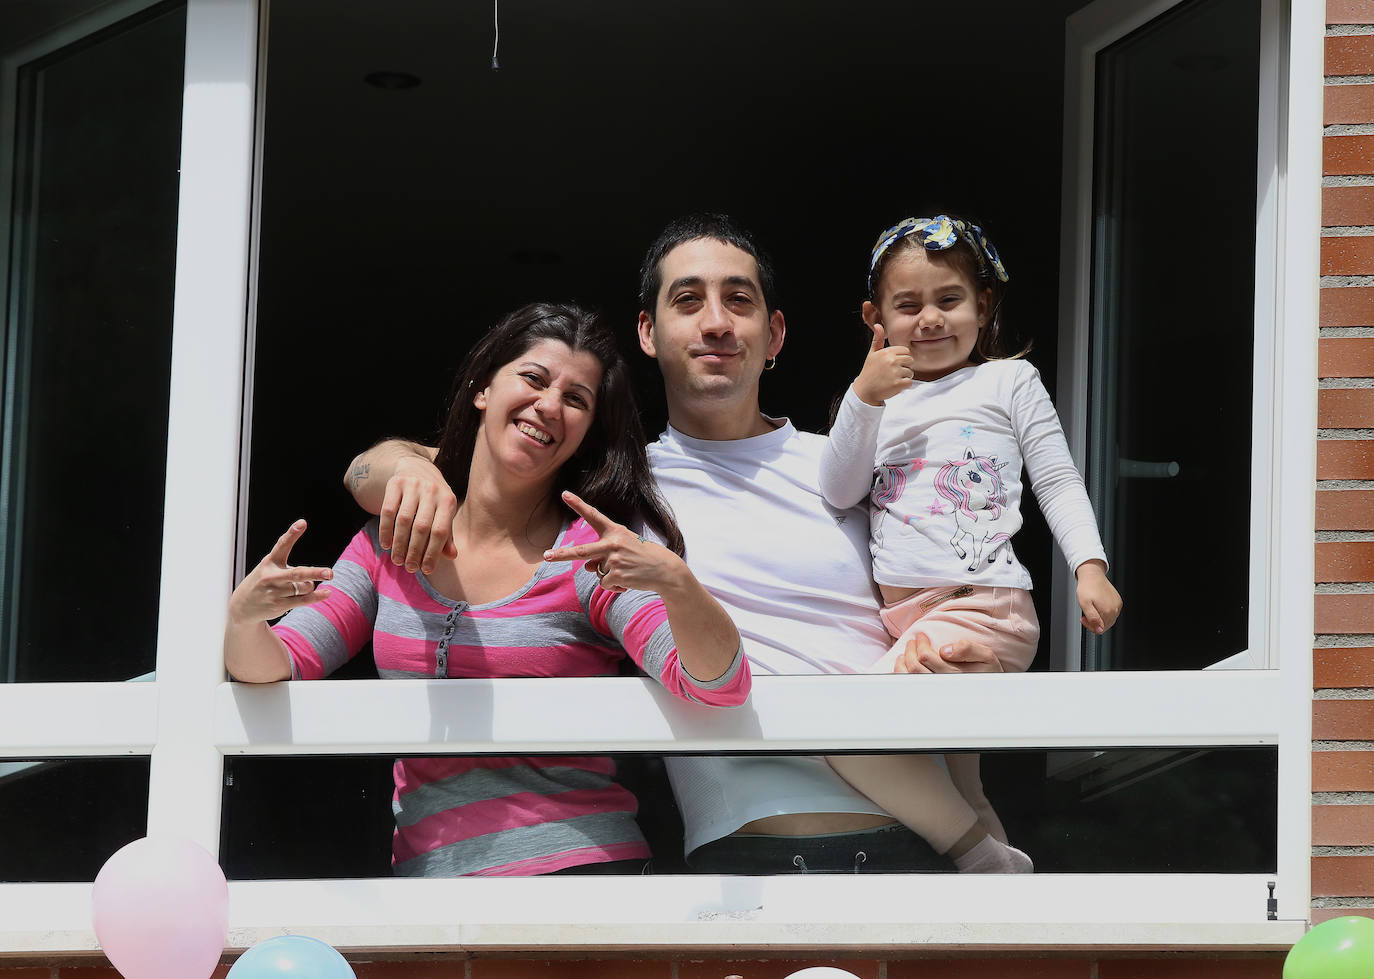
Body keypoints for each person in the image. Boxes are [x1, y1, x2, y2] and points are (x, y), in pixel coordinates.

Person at [348, 215, 1021, 875]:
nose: (717, 322)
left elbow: (955, 589)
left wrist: (972, 663)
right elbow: (410, 468)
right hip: (743, 865)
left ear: (774, 333)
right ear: (648, 331)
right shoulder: (614, 487)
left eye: (739, 300)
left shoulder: (855, 462)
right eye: (689, 300)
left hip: (918, 848)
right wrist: (408, 469)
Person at [223, 301, 750, 877]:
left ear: (585, 433)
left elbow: (717, 684)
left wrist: (678, 583)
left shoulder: (585, 557)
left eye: (576, 399)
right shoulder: (389, 542)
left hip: (582, 883)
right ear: (482, 388)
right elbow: (278, 665)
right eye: (534, 378)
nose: (549, 405)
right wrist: (246, 619)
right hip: (430, 894)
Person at [816, 214, 1123, 873]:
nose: (930, 318)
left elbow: (1058, 478)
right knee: (961, 789)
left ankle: (980, 861)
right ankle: (1006, 894)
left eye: (949, 299)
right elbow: (838, 490)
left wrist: (1090, 568)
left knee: (841, 723)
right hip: (911, 621)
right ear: (875, 318)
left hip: (980, 609)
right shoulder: (876, 402)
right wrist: (862, 398)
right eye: (908, 305)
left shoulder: (1007, 381)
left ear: (983, 307)